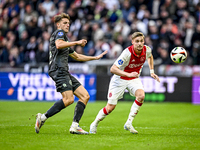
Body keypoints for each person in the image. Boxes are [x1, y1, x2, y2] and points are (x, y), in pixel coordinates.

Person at [35, 13, 107, 134]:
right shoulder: (59, 34)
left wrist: (94, 58)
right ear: (58, 25)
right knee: (68, 99)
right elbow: (58, 45)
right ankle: (42, 118)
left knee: (85, 96)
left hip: (64, 71)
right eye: (64, 23)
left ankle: (75, 126)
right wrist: (77, 42)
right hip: (58, 70)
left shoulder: (65, 40)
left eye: (68, 23)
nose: (67, 25)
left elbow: (77, 56)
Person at [89, 32, 160, 134]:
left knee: (141, 96)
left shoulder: (147, 49)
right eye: (137, 41)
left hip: (133, 79)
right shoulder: (127, 53)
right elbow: (112, 69)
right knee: (110, 107)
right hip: (119, 79)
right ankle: (94, 123)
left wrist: (152, 71)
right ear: (132, 42)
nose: (139, 43)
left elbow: (150, 56)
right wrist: (128, 74)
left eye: (141, 41)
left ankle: (128, 123)